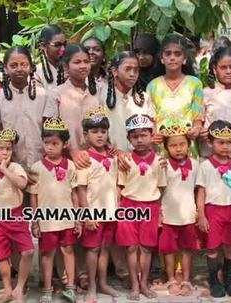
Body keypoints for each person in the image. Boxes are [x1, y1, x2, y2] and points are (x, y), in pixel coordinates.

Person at [27, 117, 80, 303]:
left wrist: (78, 218)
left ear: (65, 144)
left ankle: (71, 287)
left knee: (68, 251)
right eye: (46, 143)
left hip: (67, 219)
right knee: (47, 254)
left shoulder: (71, 166)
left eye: (55, 143)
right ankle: (47, 289)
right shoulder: (37, 168)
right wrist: (35, 221)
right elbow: (33, 196)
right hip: (46, 221)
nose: (49, 147)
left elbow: (74, 194)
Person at [116, 114, 166, 300]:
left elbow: (161, 187)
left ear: (151, 135)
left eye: (144, 134)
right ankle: (134, 285)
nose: (140, 139)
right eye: (135, 136)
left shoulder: (160, 161)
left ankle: (144, 283)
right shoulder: (125, 160)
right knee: (130, 248)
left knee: (146, 248)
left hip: (151, 206)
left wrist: (159, 212)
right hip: (128, 205)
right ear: (129, 138)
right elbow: (120, 187)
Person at [196, 120, 231, 298]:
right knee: (212, 247)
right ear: (210, 143)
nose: (225, 146)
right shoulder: (205, 166)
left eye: (229, 142)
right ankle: (214, 281)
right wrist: (201, 215)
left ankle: (229, 280)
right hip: (213, 210)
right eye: (220, 142)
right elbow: (201, 192)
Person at [0, 46, 58, 171]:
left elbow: (50, 133)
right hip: (11, 165)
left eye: (24, 65)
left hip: (43, 163)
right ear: (6, 69)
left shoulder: (45, 96)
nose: (19, 69)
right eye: (13, 65)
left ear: (30, 67)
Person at [0, 129, 34, 302]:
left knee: (27, 251)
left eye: (8, 148)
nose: (5, 152)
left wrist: (5, 170)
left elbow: (22, 183)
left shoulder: (14, 167)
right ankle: (7, 288)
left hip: (16, 215)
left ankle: (20, 287)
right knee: (2, 255)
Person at [76, 108, 119, 300]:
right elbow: (81, 189)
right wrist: (86, 215)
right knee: (92, 249)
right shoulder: (85, 159)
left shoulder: (113, 156)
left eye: (103, 131)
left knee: (105, 248)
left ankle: (102, 283)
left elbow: (117, 184)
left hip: (110, 211)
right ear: (86, 135)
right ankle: (92, 285)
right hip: (93, 213)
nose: (100, 135)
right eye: (95, 131)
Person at [157, 118, 199, 296]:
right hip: (168, 214)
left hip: (188, 214)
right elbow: (159, 190)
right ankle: (171, 278)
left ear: (189, 144)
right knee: (168, 249)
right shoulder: (163, 165)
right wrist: (159, 212)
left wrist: (199, 211)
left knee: (187, 248)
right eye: (173, 145)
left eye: (182, 144)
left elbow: (199, 190)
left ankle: (187, 279)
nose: (179, 148)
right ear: (166, 148)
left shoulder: (196, 165)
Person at [147, 34, 204, 156]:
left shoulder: (195, 84)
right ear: (162, 58)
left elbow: (197, 118)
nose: (172, 58)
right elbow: (151, 119)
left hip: (187, 147)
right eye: (168, 54)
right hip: (162, 147)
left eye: (177, 54)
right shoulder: (153, 86)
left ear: (184, 59)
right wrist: (154, 134)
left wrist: (196, 130)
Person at [55, 44, 100, 168]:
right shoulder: (57, 94)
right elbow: (54, 131)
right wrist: (72, 151)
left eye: (86, 61)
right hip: (66, 160)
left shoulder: (97, 91)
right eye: (77, 62)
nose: (83, 66)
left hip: (94, 159)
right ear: (66, 66)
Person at [101, 51, 155, 152]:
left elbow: (152, 129)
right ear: (114, 71)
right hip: (111, 158)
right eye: (128, 69)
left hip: (139, 160)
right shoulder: (101, 96)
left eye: (136, 70)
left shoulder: (144, 98)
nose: (132, 74)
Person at [35, 25, 66, 91]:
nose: (63, 49)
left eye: (64, 44)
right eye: (57, 45)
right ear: (43, 46)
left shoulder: (71, 67)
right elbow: (40, 99)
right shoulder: (36, 73)